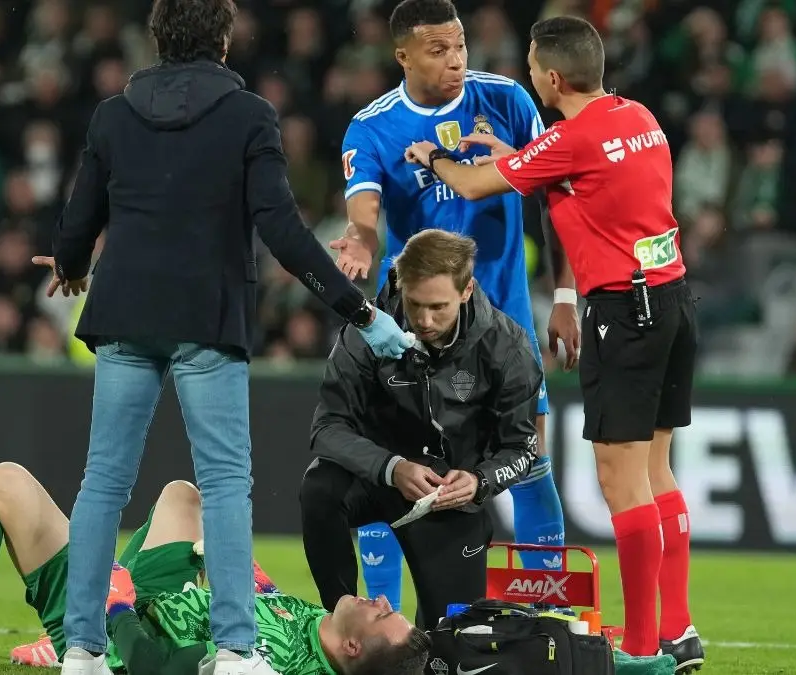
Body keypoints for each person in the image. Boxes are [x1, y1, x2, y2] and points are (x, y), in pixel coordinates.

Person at [29, 1, 414, 673]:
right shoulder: (248, 116)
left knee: (103, 483)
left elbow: (79, 216)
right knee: (226, 483)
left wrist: (68, 263)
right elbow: (282, 230)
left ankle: (83, 650)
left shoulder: (113, 115)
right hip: (205, 316)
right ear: (226, 40)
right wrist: (360, 311)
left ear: (157, 37)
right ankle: (236, 651)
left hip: (124, 311)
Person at [402, 16, 705, 672]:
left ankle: (643, 648)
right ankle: (678, 629)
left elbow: (474, 184)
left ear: (554, 78)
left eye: (535, 67)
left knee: (620, 481)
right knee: (657, 472)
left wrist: (434, 158)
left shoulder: (571, 139)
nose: (531, 75)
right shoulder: (638, 117)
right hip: (674, 299)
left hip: (625, 311)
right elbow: (577, 175)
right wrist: (513, 154)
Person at [328, 0, 573, 612]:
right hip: (416, 332)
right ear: (403, 56)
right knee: (392, 472)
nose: (456, 60)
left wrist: (566, 294)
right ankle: (385, 623)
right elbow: (364, 211)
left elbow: (556, 199)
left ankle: (550, 612)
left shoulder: (507, 100)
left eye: (460, 45)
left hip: (503, 324)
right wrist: (360, 240)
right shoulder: (372, 127)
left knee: (529, 461)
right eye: (439, 50)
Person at [0, 462, 432, 675]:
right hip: (164, 600)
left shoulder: (269, 668)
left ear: (353, 648)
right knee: (183, 498)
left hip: (119, 629)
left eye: (384, 615)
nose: (383, 600)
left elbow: (152, 667)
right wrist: (253, 579)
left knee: (3, 483)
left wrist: (114, 605)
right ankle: (57, 638)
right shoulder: (324, 630)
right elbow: (271, 608)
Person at [302, 229, 542, 630]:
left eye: (438, 307)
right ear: (400, 285)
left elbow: (522, 449)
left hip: (447, 500)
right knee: (320, 487)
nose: (425, 320)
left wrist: (479, 481)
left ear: (467, 291)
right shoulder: (367, 330)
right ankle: (342, 624)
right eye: (415, 304)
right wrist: (392, 467)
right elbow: (326, 427)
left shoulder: (507, 347)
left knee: (448, 640)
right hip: (376, 478)